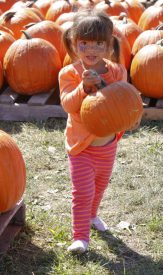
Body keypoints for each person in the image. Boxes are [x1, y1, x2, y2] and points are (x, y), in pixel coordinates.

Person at [58, 9, 128, 254]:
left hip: (107, 144)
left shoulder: (117, 71)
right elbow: (68, 104)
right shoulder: (68, 73)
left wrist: (105, 84)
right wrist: (82, 86)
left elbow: (122, 99)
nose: (91, 49)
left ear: (109, 46)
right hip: (81, 147)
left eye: (99, 43)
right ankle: (80, 237)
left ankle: (92, 215)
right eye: (84, 43)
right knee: (83, 191)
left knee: (99, 187)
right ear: (75, 45)